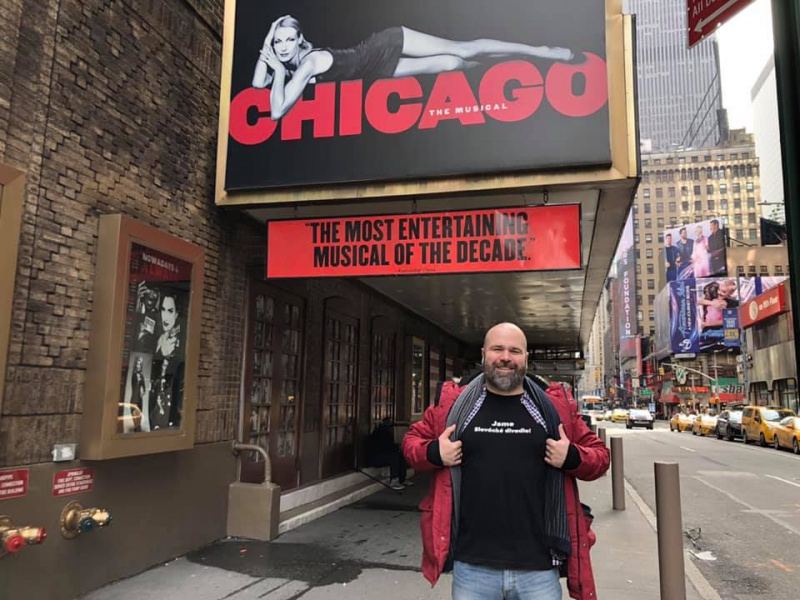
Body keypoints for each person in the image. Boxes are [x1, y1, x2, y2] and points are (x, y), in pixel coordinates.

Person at [403, 323, 609, 600]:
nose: (505, 357)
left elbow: (600, 457)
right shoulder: (454, 406)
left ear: (526, 357)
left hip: (539, 567)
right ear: (483, 354)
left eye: (515, 351)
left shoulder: (553, 407)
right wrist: (434, 453)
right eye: (497, 349)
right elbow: (411, 443)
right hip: (472, 566)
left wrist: (571, 456)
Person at [253, 16, 577, 120]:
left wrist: (278, 71)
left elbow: (278, 111)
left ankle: (540, 51)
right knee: (453, 64)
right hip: (375, 71)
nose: (283, 47)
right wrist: (268, 43)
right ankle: (518, 60)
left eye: (288, 40)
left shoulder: (307, 63)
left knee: (463, 49)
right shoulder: (291, 62)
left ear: (299, 40)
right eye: (278, 42)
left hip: (383, 46)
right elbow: (257, 85)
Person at [365, 418, 413, 490]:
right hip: (375, 458)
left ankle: (402, 479)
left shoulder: (386, 433)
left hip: (382, 455)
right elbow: (385, 448)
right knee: (394, 457)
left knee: (399, 455)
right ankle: (394, 480)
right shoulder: (380, 434)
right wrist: (396, 449)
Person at [156, 293, 181, 359]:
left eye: (170, 311)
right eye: (163, 309)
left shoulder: (177, 341)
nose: (165, 316)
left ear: (176, 314)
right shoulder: (161, 336)